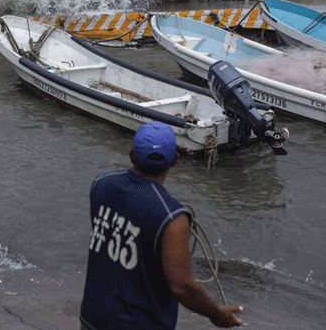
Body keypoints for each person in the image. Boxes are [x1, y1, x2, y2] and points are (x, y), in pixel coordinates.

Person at [80, 121, 243, 330]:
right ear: (175, 160)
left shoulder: (102, 184)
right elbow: (181, 285)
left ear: (132, 155)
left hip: (93, 317)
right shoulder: (172, 217)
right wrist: (215, 314)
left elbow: (100, 232)